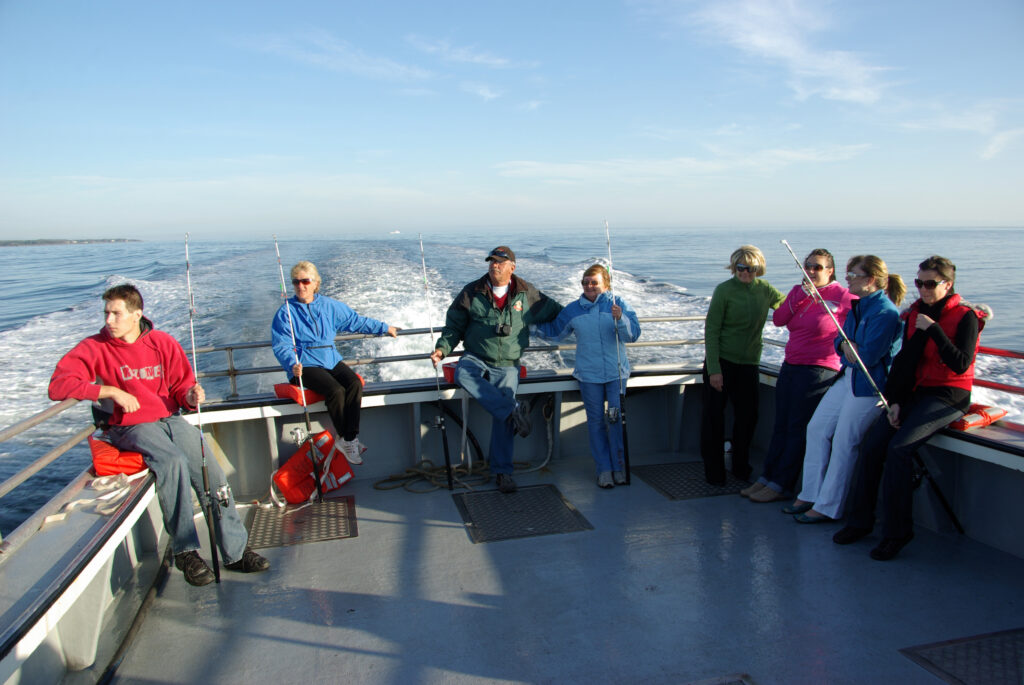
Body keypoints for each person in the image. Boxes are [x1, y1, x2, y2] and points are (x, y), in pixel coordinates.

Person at [48, 284, 269, 587]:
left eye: (116, 314)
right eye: (107, 313)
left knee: (213, 476)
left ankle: (235, 551)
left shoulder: (162, 343)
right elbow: (58, 385)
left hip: (170, 419)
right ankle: (186, 551)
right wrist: (108, 391)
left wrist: (191, 396)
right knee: (171, 462)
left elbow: (181, 388)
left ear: (137, 314)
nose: (109, 320)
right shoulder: (94, 346)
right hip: (129, 426)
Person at [836, 256, 985, 560]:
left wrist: (934, 330)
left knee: (900, 450)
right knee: (873, 446)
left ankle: (897, 533)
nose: (924, 289)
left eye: (930, 284)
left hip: (949, 395)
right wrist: (894, 402)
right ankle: (861, 522)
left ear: (948, 284)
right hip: (915, 392)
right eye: (919, 283)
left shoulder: (966, 316)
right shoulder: (915, 313)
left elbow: (960, 363)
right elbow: (905, 363)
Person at [429, 246, 563, 494]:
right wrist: (441, 349)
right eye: (492, 261)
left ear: (512, 266)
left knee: (503, 416)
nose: (495, 265)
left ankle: (502, 472)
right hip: (476, 356)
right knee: (463, 374)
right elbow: (453, 327)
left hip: (508, 362)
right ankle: (511, 409)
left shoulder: (527, 293)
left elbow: (559, 313)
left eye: (501, 262)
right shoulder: (472, 292)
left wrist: (590, 317)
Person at [787, 256, 905, 523]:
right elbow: (840, 339)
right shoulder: (858, 306)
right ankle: (810, 493)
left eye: (853, 274)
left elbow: (870, 356)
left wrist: (851, 348)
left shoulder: (885, 313)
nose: (848, 277)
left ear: (870, 279)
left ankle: (828, 506)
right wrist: (845, 346)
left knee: (844, 442)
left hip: (869, 387)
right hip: (848, 378)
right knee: (816, 428)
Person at [743, 249, 856, 503]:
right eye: (808, 267)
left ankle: (782, 483)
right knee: (781, 424)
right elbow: (780, 320)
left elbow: (865, 318)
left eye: (817, 267)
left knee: (797, 427)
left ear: (830, 271)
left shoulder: (842, 297)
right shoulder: (799, 292)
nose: (811, 272)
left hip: (819, 370)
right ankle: (767, 477)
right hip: (791, 365)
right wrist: (799, 297)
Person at [271, 261, 398, 465]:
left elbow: (355, 321)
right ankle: (348, 440)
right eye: (296, 282)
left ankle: (350, 438)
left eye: (305, 281)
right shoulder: (286, 312)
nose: (300, 286)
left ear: (315, 283)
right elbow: (281, 343)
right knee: (336, 390)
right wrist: (291, 363)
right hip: (304, 364)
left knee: (355, 383)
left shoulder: (330, 306)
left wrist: (384, 328)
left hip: (330, 358)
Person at [534, 264, 641, 488]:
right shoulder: (573, 309)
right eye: (585, 282)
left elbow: (633, 335)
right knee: (595, 423)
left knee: (615, 421)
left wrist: (620, 318)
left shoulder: (618, 304)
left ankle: (619, 467)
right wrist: (525, 328)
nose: (589, 286)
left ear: (605, 284)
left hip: (615, 374)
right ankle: (604, 470)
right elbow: (556, 333)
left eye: (594, 282)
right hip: (589, 376)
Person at [701, 245, 785, 486]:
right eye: (740, 268)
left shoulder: (765, 290)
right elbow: (712, 330)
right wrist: (714, 370)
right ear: (734, 267)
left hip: (748, 364)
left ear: (759, 269)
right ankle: (714, 471)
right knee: (713, 419)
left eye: (751, 268)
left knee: (748, 417)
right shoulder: (724, 291)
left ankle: (740, 465)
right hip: (722, 362)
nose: (745, 273)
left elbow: (787, 306)